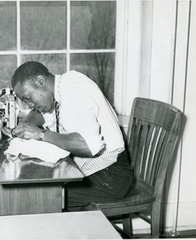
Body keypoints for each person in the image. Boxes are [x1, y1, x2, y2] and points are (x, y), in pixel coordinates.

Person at [10, 61, 133, 211]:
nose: (29, 104)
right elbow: (39, 114)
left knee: (39, 196)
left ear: (41, 81)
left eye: (28, 98)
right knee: (37, 191)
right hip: (94, 170)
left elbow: (87, 146)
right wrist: (26, 123)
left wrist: (41, 134)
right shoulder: (61, 88)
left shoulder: (74, 92)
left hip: (110, 177)